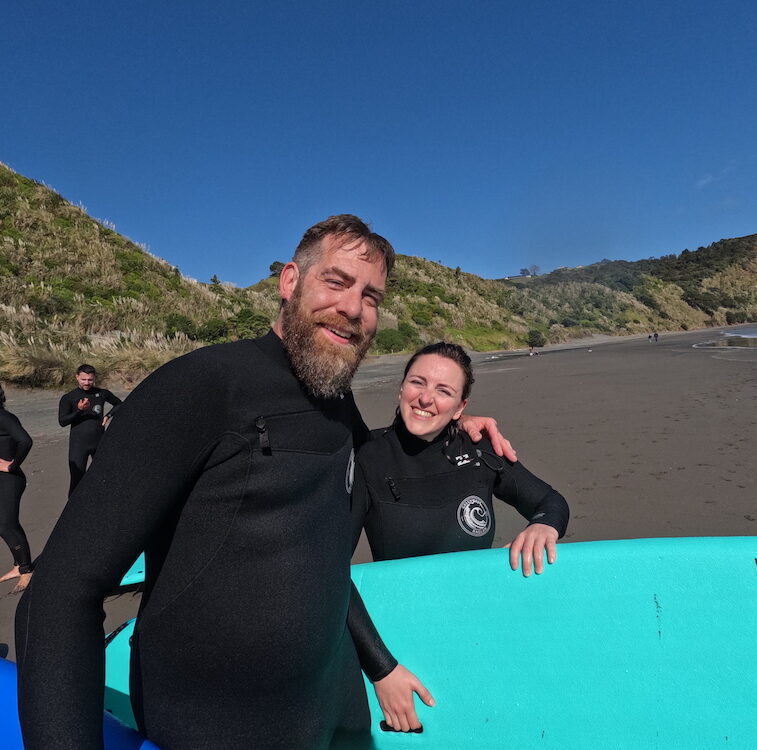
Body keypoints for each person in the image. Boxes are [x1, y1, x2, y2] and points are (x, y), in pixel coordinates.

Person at [16, 215, 512, 750]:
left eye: (372, 296)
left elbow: (334, 497)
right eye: (337, 282)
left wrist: (449, 428)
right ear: (290, 282)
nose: (352, 308)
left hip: (331, 711)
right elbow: (60, 594)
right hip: (218, 725)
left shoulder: (336, 401)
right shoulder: (201, 386)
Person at [351, 342, 570, 731]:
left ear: (461, 406)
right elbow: (329, 566)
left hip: (478, 633)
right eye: (417, 382)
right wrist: (382, 670)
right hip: (400, 643)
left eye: (444, 391)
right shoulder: (367, 457)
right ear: (401, 388)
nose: (425, 398)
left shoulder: (481, 450)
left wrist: (543, 525)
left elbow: (550, 501)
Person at [58, 365, 122, 495]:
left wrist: (108, 416)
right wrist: (79, 410)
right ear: (77, 377)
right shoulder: (69, 397)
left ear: (94, 378)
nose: (87, 383)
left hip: (99, 442)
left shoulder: (102, 393)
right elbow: (62, 421)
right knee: (77, 480)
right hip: (79, 445)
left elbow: (119, 404)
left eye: (90, 380)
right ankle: (73, 512)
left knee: (104, 476)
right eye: (83, 379)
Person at [0, 385, 34, 594]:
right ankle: (18, 565)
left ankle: (26, 570)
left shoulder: (4, 417)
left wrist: (11, 465)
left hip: (10, 479)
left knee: (5, 524)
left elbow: (25, 440)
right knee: (5, 523)